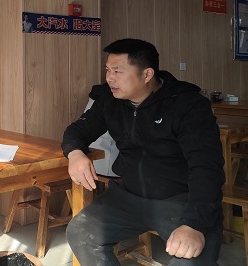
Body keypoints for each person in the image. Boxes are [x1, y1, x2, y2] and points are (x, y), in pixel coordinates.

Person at [62, 38, 224, 266]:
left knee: (191, 259)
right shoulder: (110, 100)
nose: (109, 78)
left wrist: (194, 224)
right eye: (108, 70)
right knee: (80, 231)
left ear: (147, 74)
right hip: (128, 196)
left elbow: (206, 167)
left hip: (180, 200)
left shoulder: (187, 104)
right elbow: (77, 130)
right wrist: (75, 153)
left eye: (117, 71)